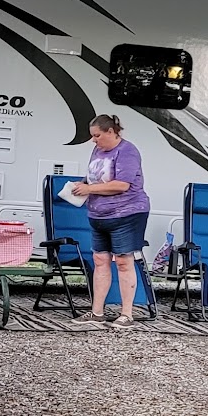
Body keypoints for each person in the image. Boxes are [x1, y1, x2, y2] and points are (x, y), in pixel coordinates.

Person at [70, 113, 148, 324]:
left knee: (123, 260)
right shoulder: (98, 150)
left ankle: (127, 314)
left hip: (127, 212)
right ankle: (97, 312)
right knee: (100, 260)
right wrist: (81, 184)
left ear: (111, 132)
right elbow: (95, 176)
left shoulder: (127, 151)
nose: (93, 140)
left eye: (97, 136)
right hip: (98, 214)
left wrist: (90, 188)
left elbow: (121, 185)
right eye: (92, 137)